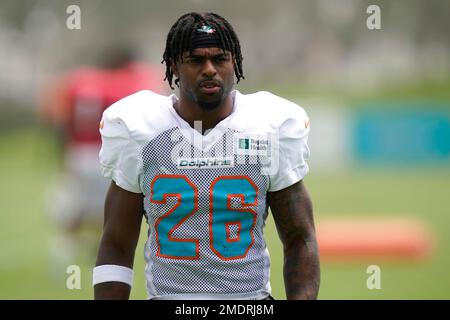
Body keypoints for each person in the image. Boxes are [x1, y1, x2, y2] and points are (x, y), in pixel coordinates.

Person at [93, 12, 320, 300]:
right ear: (174, 65)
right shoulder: (141, 131)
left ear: (234, 62)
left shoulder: (268, 128)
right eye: (196, 60)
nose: (210, 69)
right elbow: (116, 244)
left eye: (220, 58)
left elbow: (300, 238)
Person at [40, 46, 165, 265]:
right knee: (106, 208)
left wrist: (64, 154)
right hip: (102, 154)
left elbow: (59, 121)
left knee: (79, 204)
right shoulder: (123, 85)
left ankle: (66, 248)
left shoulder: (77, 82)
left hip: (77, 152)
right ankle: (94, 251)